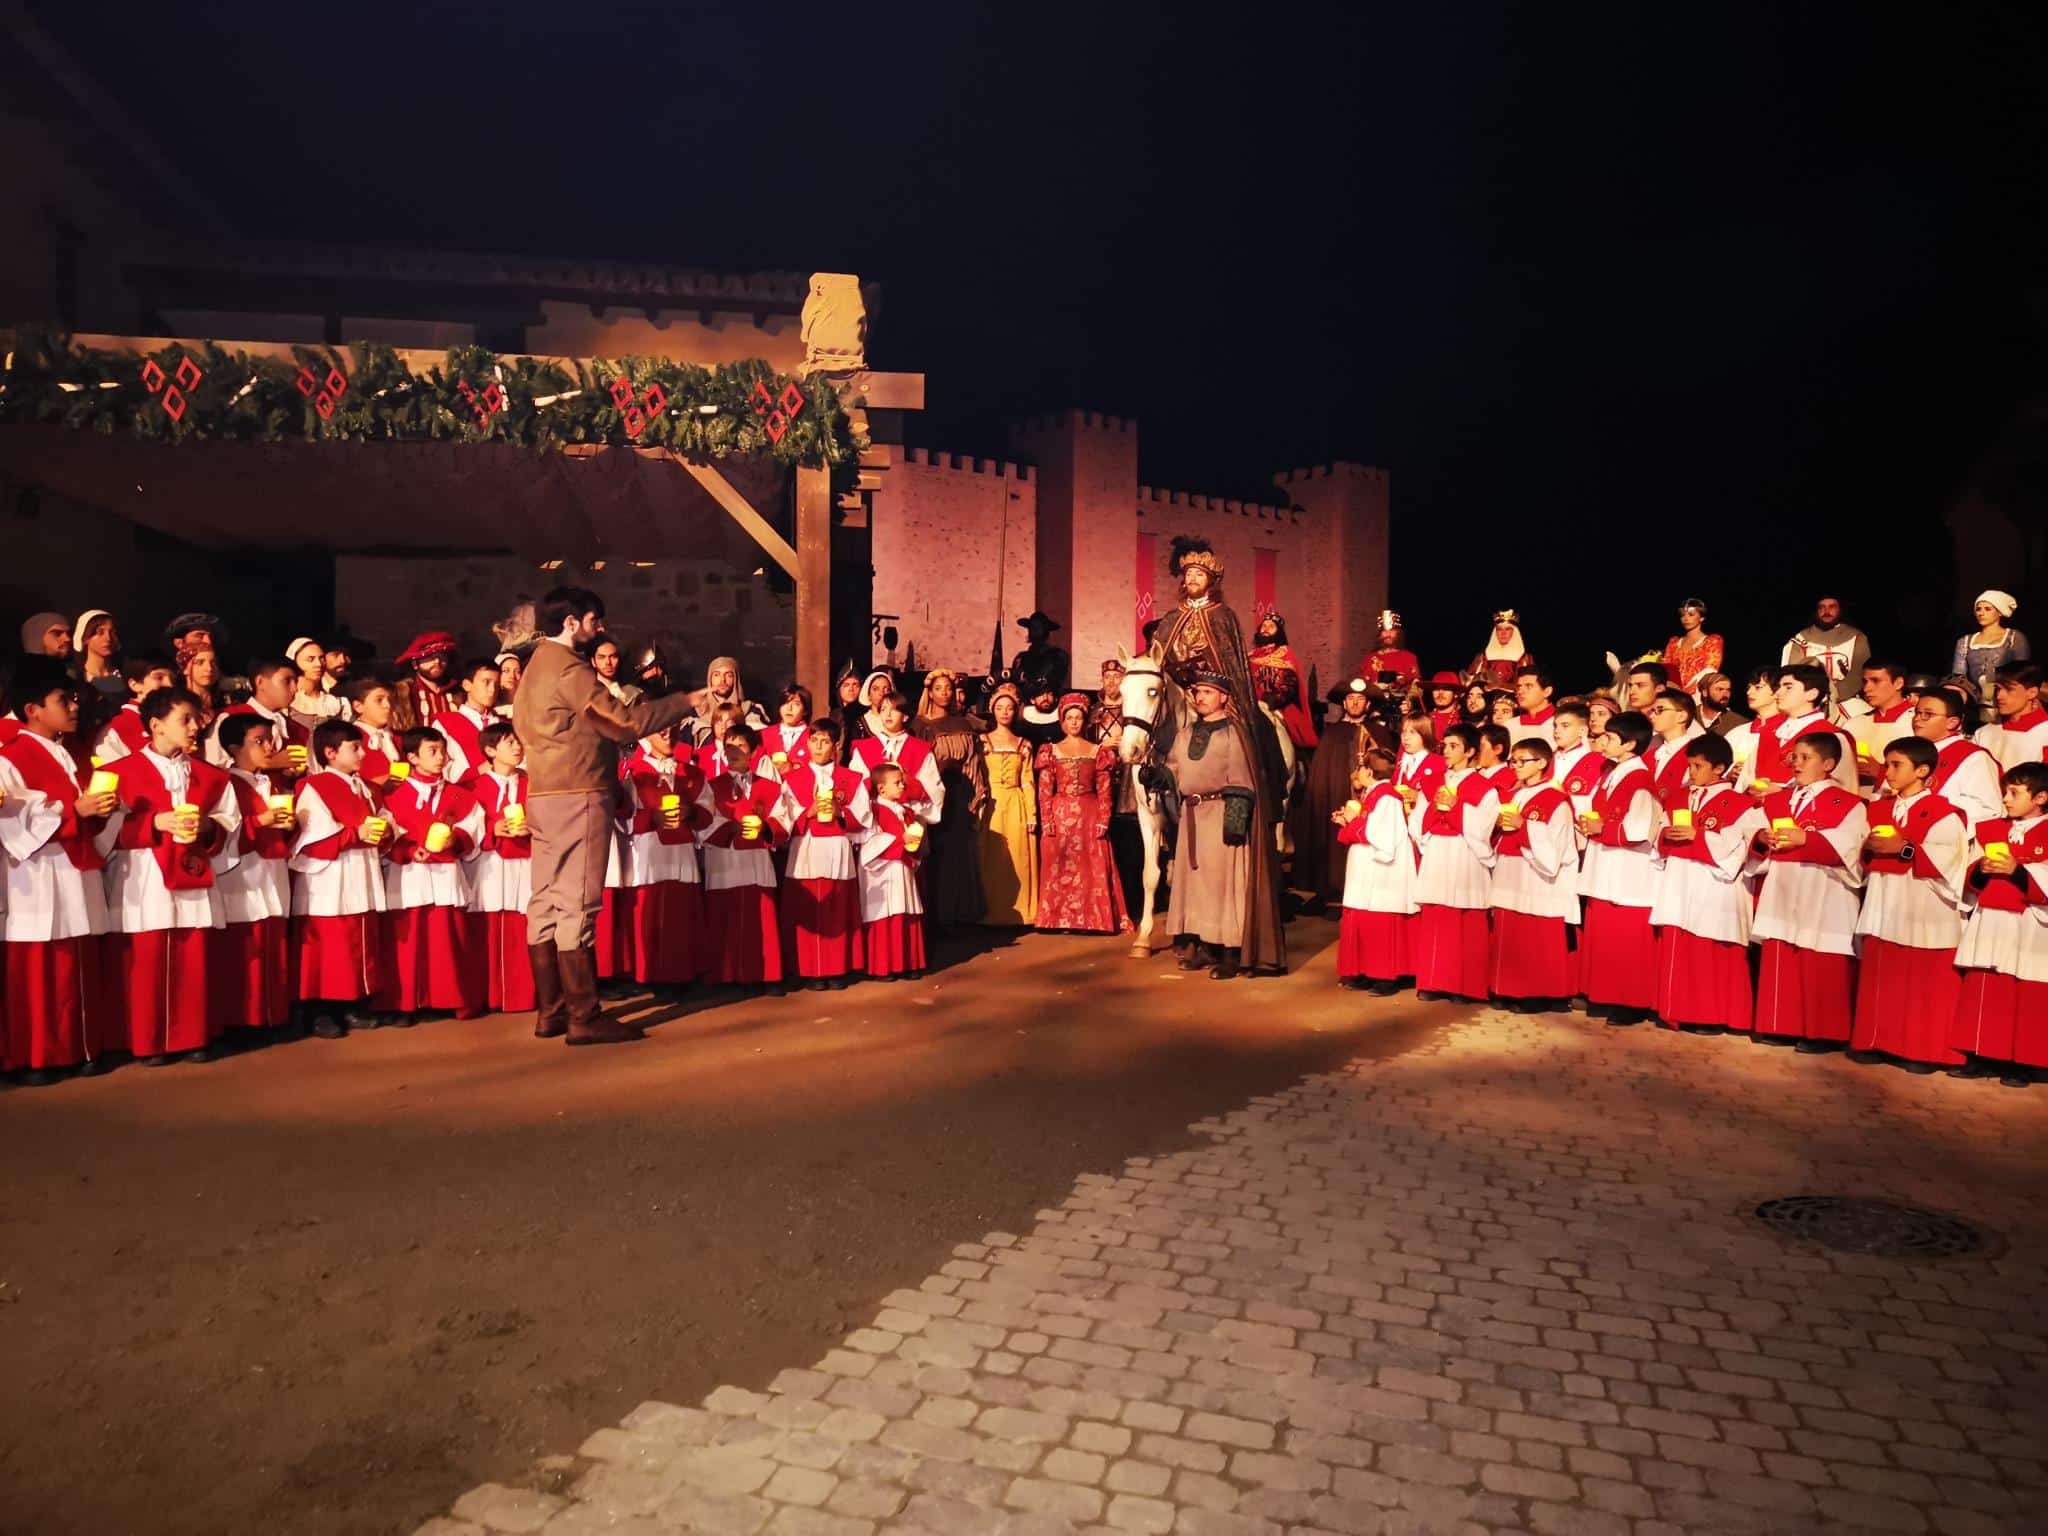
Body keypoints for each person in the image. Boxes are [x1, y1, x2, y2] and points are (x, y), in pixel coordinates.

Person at [512, 587, 696, 1046]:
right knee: (578, 902)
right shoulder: (569, 669)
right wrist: (687, 702)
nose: (601, 629)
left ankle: (550, 1011)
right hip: (580, 792)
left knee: (545, 902)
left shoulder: (534, 668)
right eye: (595, 620)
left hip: (544, 792)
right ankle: (584, 1016)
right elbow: (625, 723)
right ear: (571, 622)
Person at [1149, 537, 1287, 974]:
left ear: (1211, 581)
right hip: (1185, 696)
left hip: (1219, 694)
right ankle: (1199, 939)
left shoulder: (1223, 617)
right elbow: (1159, 659)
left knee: (1222, 879)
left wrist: (1215, 690)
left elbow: (1231, 665)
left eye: (1199, 575)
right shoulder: (1171, 619)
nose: (1191, 580)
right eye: (1187, 575)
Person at [103, 687, 237, 1064]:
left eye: (197, 719)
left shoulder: (211, 776)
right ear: (156, 726)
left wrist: (209, 828)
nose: (196, 727)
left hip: (193, 871)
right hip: (143, 877)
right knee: (146, 961)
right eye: (185, 720)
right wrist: (152, 822)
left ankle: (192, 1036)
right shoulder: (119, 772)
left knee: (192, 954)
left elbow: (230, 822)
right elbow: (102, 829)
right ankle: (148, 1042)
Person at [0, 659, 117, 1082]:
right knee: (40, 966)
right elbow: (11, 819)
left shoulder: (68, 752)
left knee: (77, 959)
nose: (72, 706)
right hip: (36, 874)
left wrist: (102, 811)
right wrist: (74, 809)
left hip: (73, 867)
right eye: (61, 700)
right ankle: (38, 1055)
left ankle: (81, 1045)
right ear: (32, 709)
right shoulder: (10, 757)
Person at [1848, 738, 1967, 1072]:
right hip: (1885, 899)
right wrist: (1870, 848)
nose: (1889, 772)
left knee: (1922, 983)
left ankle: (1922, 1050)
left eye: (1897, 765)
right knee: (1883, 973)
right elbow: (1858, 852)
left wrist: (1905, 848)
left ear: (1923, 770)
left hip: (1925, 905)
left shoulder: (1944, 813)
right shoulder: (1880, 807)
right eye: (1886, 764)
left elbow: (1951, 858)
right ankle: (1875, 1040)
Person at [1751, 734, 1867, 1049]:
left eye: (1805, 758)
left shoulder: (1849, 804)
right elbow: (1753, 834)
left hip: (1825, 887)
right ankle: (1779, 1024)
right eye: (1794, 757)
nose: (1796, 764)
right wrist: (1762, 838)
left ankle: (1824, 1032)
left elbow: (1854, 846)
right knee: (1782, 949)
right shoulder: (1777, 800)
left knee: (1821, 956)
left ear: (1828, 764)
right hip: (1785, 884)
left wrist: (1807, 840)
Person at [1649, 734, 1765, 1035]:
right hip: (1679, 880)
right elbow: (1659, 834)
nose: (1691, 773)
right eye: (1689, 765)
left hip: (1716, 887)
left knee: (1711, 951)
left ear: (1720, 768)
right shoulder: (1677, 798)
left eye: (1698, 766)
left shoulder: (1743, 805)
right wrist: (1666, 837)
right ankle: (1675, 1009)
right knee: (1679, 943)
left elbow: (1743, 845)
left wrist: (1697, 837)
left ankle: (1713, 1015)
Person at [373, 726, 486, 1026]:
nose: (441, 758)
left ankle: (450, 999)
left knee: (447, 938)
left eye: (443, 751)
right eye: (432, 752)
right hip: (408, 875)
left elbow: (474, 827)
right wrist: (407, 849)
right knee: (407, 942)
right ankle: (406, 1003)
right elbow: (384, 830)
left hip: (446, 873)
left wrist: (456, 840)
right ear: (411, 757)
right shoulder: (392, 794)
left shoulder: (459, 794)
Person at [288, 719, 391, 1040]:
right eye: (355, 747)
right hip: (329, 878)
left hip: (360, 870)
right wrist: (354, 834)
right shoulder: (314, 787)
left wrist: (386, 830)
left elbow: (386, 819)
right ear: (330, 753)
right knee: (328, 948)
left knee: (357, 942)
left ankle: (354, 1003)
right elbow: (311, 835)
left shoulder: (366, 787)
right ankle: (322, 1012)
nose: (363, 753)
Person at [1949, 763, 2048, 1085]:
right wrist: (1981, 870)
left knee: (2025, 991)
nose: (2004, 799)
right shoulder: (1992, 828)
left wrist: (2019, 871)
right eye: (2005, 791)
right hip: (1990, 918)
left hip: (2029, 923)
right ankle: (1979, 1053)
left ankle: (2022, 1063)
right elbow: (1969, 873)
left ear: (2041, 797)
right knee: (1986, 986)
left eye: (2014, 793)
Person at [1161, 673, 1264, 978]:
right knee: (1196, 886)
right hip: (1191, 815)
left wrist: (1235, 820)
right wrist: (1160, 776)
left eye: (1207, 692)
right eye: (1198, 691)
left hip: (1220, 815)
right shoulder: (1185, 733)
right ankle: (1205, 947)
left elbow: (1242, 778)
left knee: (1223, 886)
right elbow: (1176, 768)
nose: (1201, 697)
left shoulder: (1234, 734)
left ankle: (1231, 953)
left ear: (1224, 697)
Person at [214, 711, 297, 1039]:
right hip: (241, 874)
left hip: (270, 870)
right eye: (258, 741)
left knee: (272, 939)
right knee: (244, 947)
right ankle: (242, 1020)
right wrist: (259, 824)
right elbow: (221, 830)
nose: (268, 747)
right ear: (234, 749)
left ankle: (272, 1015)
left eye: (270, 740)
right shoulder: (225, 783)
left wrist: (289, 825)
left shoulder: (271, 782)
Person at [610, 725, 709, 992]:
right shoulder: (632, 773)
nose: (668, 736)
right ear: (646, 735)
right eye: (661, 731)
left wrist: (691, 811)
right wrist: (649, 817)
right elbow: (620, 816)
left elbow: (708, 812)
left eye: (672, 731)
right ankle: (646, 975)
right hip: (648, 853)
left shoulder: (692, 773)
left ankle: (682, 975)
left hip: (682, 852)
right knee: (647, 914)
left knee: (680, 913)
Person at [1577, 710, 1660, 1026]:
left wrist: (1601, 829)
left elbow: (1640, 830)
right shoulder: (1613, 772)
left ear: (1629, 744)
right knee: (1606, 933)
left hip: (1629, 870)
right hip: (1606, 863)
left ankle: (1631, 1002)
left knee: (1626, 937)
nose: (1603, 741)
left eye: (1610, 737)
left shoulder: (1639, 779)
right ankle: (1605, 994)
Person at [1406, 723, 1497, 1001]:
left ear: (1470, 751)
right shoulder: (1433, 782)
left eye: (1454, 746)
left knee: (1465, 918)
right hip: (1437, 852)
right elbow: (1417, 820)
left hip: (1466, 854)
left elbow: (1483, 828)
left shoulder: (1484, 788)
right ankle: (1432, 982)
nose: (1446, 751)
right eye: (1444, 745)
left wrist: (1456, 808)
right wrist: (1429, 831)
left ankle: (1466, 987)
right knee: (1436, 915)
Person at [775, 719, 868, 988]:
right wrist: (808, 812)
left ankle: (836, 968)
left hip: (837, 847)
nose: (818, 746)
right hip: (806, 847)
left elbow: (864, 816)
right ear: (807, 743)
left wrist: (842, 814)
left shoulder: (851, 778)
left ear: (836, 745)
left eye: (825, 741)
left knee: (836, 907)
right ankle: (809, 969)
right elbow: (783, 816)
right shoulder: (792, 779)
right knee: (807, 907)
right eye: (814, 740)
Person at [1488, 738, 1578, 1011]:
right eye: (1512, 761)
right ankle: (1505, 988)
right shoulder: (1515, 794)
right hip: (1510, 869)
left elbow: (1556, 848)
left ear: (1541, 763)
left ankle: (1536, 993)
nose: (1515, 766)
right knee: (1509, 929)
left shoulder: (1557, 799)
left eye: (1521, 761)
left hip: (1536, 875)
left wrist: (1523, 826)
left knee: (1534, 935)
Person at [698, 726, 787, 989]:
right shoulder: (711, 786)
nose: (734, 751)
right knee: (724, 915)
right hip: (725, 859)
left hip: (757, 858)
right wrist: (729, 828)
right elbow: (704, 820)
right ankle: (724, 975)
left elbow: (783, 818)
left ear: (754, 752)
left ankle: (764, 973)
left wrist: (765, 827)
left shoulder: (770, 787)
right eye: (729, 746)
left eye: (740, 745)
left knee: (760, 917)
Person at [1034, 693, 1127, 935]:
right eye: (1070, 718)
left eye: (1078, 718)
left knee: (1090, 868)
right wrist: (1047, 821)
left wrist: (1104, 819)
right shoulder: (1051, 751)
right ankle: (1057, 919)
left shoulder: (1098, 751)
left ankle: (1092, 919)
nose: (1074, 722)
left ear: (1085, 721)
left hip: (1089, 814)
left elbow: (1105, 789)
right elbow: (1044, 790)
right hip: (1060, 812)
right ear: (1062, 722)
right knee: (1060, 866)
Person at [1291, 678, 1390, 906]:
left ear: (1368, 705)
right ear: (1344, 704)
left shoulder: (1379, 733)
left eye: (1360, 699)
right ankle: (1333, 893)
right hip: (1336, 796)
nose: (1355, 704)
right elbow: (1321, 775)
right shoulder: (1332, 734)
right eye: (1351, 699)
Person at [1334, 748, 1415, 994]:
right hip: (1367, 867)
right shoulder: (1374, 794)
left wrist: (1351, 822)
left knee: (1380, 922)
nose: (1356, 772)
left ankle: (1385, 977)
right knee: (1364, 919)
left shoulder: (1388, 797)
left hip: (1381, 871)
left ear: (1369, 771)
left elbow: (1384, 837)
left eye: (1359, 768)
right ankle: (1367, 971)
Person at [469, 722, 535, 1013]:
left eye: (518, 741)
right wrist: (491, 827)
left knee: (525, 924)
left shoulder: (532, 783)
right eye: (510, 742)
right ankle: (491, 994)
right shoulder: (475, 787)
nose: (518, 747)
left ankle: (524, 994)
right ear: (490, 750)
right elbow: (466, 825)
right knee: (492, 924)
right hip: (491, 865)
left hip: (526, 861)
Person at [914, 668, 988, 927]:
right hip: (931, 792)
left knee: (958, 851)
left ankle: (959, 913)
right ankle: (935, 914)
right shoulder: (919, 726)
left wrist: (976, 793)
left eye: (948, 688)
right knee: (934, 850)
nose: (944, 693)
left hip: (958, 791)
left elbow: (973, 762)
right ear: (930, 693)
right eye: (939, 688)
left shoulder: (963, 724)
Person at [859, 762, 930, 979]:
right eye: (897, 783)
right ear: (881, 789)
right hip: (883, 871)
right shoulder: (873, 811)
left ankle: (908, 963)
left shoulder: (906, 811)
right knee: (885, 914)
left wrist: (914, 844)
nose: (902, 786)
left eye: (902, 782)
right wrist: (901, 840)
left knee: (905, 910)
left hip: (903, 868)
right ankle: (884, 966)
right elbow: (869, 842)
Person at [976, 684, 1038, 925]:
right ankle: (989, 912)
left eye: (1009, 708)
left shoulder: (1023, 744)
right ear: (992, 710)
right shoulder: (982, 742)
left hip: (1015, 803)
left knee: (1016, 855)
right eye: (1000, 707)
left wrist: (1032, 813)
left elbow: (1028, 780)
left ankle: (1020, 913)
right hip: (990, 803)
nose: (1004, 712)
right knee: (990, 856)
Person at [1754, 664, 1858, 795]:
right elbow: (1748, 778)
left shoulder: (1832, 735)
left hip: (1807, 813)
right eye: (1779, 687)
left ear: (1812, 694)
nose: (1778, 693)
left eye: (1788, 687)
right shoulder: (1769, 733)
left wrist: (1782, 792)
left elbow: (1843, 790)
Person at [1916, 686, 2002, 836]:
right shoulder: (1909, 751)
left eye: (1927, 714)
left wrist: (1934, 807)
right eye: (1917, 712)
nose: (1917, 719)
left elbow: (1990, 810)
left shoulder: (1974, 757)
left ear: (1952, 722)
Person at [205, 658, 307, 775]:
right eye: (286, 681)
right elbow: (211, 767)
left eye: (296, 682)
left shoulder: (298, 730)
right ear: (260, 682)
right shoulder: (229, 718)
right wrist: (270, 763)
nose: (295, 689)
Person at [1951, 591, 2030, 728]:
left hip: (2007, 699)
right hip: (1975, 703)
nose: (1981, 613)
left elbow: (2022, 673)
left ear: (1999, 612)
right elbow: (1959, 678)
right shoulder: (1965, 642)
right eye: (1978, 609)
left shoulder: (2014, 638)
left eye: (1987, 609)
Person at [1782, 595, 1870, 709]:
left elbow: (1859, 674)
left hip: (1849, 700)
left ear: (1840, 610)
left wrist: (1835, 695)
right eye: (1821, 607)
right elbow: (1791, 674)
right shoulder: (1800, 640)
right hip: (1811, 700)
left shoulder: (1856, 638)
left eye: (1832, 607)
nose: (1826, 611)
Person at [1249, 612, 1318, 749]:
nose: (1266, 628)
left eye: (1271, 626)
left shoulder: (1285, 654)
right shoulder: (1250, 656)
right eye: (1263, 625)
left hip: (1277, 705)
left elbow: (1289, 685)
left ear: (1278, 632)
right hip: (1251, 705)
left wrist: (1269, 702)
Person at [93, 654, 178, 763]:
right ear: (135, 684)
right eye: (159, 677)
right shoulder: (117, 728)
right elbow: (108, 773)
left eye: (173, 679)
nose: (170, 684)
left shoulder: (179, 720)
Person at [1844, 659, 1913, 790]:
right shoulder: (1853, 725)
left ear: (1898, 683)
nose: (1866, 688)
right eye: (1865, 682)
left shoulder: (1916, 722)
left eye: (1875, 681)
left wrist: (1881, 771)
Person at [433, 658, 502, 787]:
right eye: (486, 682)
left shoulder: (503, 723)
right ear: (467, 685)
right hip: (466, 797)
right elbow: (439, 767)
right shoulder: (445, 723)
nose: (492, 690)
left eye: (496, 684)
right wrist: (477, 771)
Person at [1975, 664, 2048, 771]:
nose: (1999, 696)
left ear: (2032, 693)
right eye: (1998, 689)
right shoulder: (1983, 733)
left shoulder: (2044, 733)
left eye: (2009, 689)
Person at [1644, 689, 1705, 805]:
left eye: (1660, 710)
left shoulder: (1697, 755)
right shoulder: (1649, 755)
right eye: (1652, 710)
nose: (1652, 715)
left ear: (1681, 716)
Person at [392, 631, 460, 731]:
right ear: (415, 664)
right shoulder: (403, 694)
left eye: (442, 656)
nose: (437, 661)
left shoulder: (459, 691)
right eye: (430, 657)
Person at [1660, 599, 1724, 696]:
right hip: (1673, 693)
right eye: (1682, 615)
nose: (1685, 619)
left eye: (1691, 615)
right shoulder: (1674, 642)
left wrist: (1687, 692)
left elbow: (1710, 669)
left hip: (1698, 693)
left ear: (1701, 618)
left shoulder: (1712, 641)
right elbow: (1667, 667)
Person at [348, 676, 404, 786]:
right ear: (358, 706)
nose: (388, 705)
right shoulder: (349, 740)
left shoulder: (400, 738)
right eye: (379, 700)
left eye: (390, 700)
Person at [1550, 699, 1604, 811]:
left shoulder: (1596, 762)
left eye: (1565, 726)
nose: (1557, 730)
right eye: (1555, 726)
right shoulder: (1547, 757)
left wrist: (1562, 795)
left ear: (1582, 731)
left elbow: (1594, 803)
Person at [285, 636, 349, 728]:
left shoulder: (337, 702)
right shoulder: (286, 702)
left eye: (321, 658)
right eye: (310, 659)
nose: (318, 664)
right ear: (294, 663)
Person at [1359, 612, 1420, 701]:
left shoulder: (1409, 657)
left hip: (1402, 706)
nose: (1388, 634)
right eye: (1384, 631)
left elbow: (1416, 684)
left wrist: (1409, 702)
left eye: (1392, 631)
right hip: (1375, 705)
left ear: (1398, 633)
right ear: (1380, 634)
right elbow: (1363, 685)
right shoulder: (1369, 659)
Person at [1394, 717, 1446, 820]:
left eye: (1412, 732)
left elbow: (1442, 801)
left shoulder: (1438, 763)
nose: (1406, 737)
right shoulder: (1401, 764)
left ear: (1425, 734)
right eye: (1404, 732)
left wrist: (1419, 797)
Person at [1010, 610, 1070, 699]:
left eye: (1039, 628)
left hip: (1048, 703)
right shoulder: (1020, 658)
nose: (1035, 631)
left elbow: (1056, 683)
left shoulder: (1058, 656)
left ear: (1046, 632)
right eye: (1032, 628)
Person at [1465, 610, 1529, 691]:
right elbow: (1470, 683)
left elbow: (1527, 686)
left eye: (1507, 629)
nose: (1503, 633)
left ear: (1514, 632)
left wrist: (1502, 686)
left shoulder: (1524, 658)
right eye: (1499, 629)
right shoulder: (1482, 657)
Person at [757, 684, 814, 772]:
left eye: (796, 704)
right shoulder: (765, 734)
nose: (789, 708)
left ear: (805, 710)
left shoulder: (813, 736)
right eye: (785, 703)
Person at [72, 609, 123, 698]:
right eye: (100, 632)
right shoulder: (76, 679)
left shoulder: (125, 675)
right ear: (85, 638)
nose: (108, 638)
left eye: (112, 632)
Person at [1509, 666, 1557, 747]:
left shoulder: (1562, 723)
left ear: (1547, 691)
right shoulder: (1510, 725)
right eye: (1519, 686)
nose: (1520, 691)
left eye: (1528, 686)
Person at [592, 638, 642, 705]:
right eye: (601, 657)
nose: (608, 662)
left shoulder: (632, 691)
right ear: (593, 662)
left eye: (613, 657)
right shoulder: (590, 693)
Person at [1695, 671, 1744, 737]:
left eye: (1728, 690)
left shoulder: (1738, 723)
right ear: (1705, 692)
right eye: (1720, 689)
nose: (1725, 694)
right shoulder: (1689, 715)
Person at [1426, 673, 1462, 742]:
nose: (1440, 693)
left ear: (1456, 694)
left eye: (1446, 688)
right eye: (1436, 689)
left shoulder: (1461, 719)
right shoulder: (1425, 718)